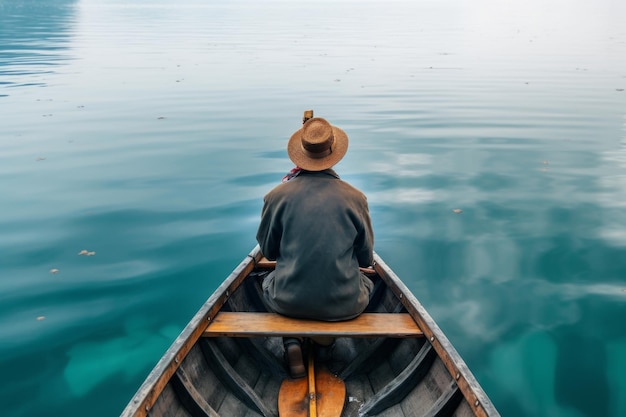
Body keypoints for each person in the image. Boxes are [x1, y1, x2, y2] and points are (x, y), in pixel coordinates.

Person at [256, 116, 375, 378]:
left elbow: (268, 252)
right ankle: (325, 345)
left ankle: (292, 341)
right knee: (369, 285)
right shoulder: (356, 198)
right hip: (345, 304)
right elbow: (366, 259)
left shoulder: (276, 197)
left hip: (287, 300)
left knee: (264, 282)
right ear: (333, 152)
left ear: (301, 155)